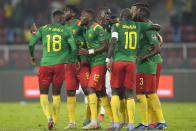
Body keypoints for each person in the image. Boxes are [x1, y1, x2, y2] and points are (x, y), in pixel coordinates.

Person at [106, 8, 160, 130]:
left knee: (115, 92)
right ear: (131, 17)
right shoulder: (138, 25)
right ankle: (130, 124)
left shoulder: (117, 26)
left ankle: (115, 123)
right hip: (131, 62)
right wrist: (155, 28)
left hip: (118, 61)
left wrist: (108, 59)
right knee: (129, 93)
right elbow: (156, 27)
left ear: (121, 16)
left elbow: (113, 42)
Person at [28, 10, 77, 130]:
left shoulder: (44, 29)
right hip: (60, 66)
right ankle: (53, 123)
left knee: (43, 93)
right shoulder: (67, 30)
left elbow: (31, 44)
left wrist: (32, 56)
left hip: (45, 65)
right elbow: (74, 48)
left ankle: (49, 118)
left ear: (53, 18)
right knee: (56, 94)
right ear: (61, 19)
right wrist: (72, 59)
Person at [131, 5, 167, 130]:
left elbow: (157, 43)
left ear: (140, 14)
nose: (132, 13)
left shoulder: (147, 27)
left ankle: (148, 122)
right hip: (149, 63)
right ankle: (158, 122)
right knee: (151, 94)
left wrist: (143, 56)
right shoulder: (142, 26)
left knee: (146, 94)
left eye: (134, 11)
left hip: (149, 63)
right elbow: (159, 38)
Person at [78, 9, 108, 130]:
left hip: (99, 63)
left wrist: (88, 51)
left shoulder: (97, 28)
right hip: (93, 63)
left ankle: (94, 122)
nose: (81, 17)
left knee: (91, 89)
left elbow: (105, 45)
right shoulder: (86, 30)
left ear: (89, 18)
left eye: (83, 15)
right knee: (101, 92)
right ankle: (114, 121)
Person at [63, 5, 91, 130]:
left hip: (83, 63)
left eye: (67, 11)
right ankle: (72, 122)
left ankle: (89, 118)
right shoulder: (62, 27)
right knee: (70, 92)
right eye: (64, 11)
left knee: (88, 90)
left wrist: (82, 44)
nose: (64, 13)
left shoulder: (80, 24)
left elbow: (88, 38)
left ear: (73, 14)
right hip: (69, 63)